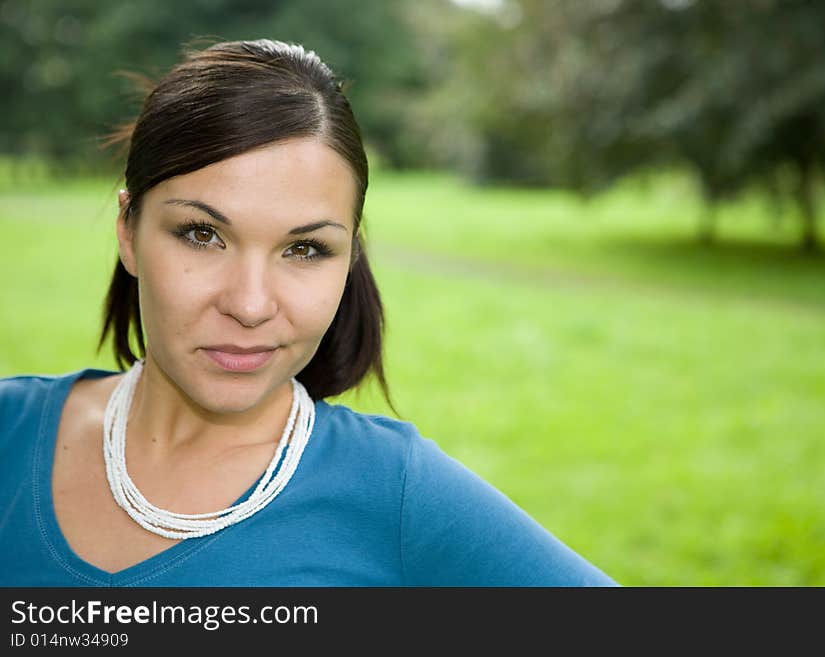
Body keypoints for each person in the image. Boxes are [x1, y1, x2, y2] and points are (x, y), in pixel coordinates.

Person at [0, 39, 616, 587]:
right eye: (201, 234)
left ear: (349, 257)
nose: (249, 304)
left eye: (305, 249)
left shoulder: (396, 494)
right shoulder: (10, 431)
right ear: (128, 231)